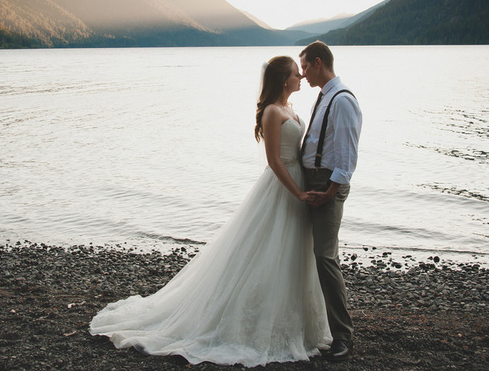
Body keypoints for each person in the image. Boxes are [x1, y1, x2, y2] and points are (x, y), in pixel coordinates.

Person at [90, 56, 331, 367]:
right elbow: (274, 161)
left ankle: (297, 326)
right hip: (282, 187)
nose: (301, 77)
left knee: (293, 254)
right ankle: (253, 323)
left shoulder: (291, 109)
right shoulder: (273, 112)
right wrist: (297, 191)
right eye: (296, 74)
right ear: (284, 80)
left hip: (298, 182)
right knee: (268, 252)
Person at [299, 40, 362, 361]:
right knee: (305, 253)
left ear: (319, 62)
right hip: (312, 182)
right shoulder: (323, 97)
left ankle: (342, 336)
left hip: (327, 185)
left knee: (325, 257)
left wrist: (329, 192)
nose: (303, 73)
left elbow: (347, 156)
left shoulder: (342, 99)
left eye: (306, 66)